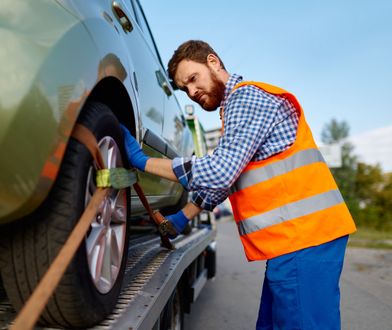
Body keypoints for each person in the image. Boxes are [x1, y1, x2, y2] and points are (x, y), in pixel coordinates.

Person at [121, 40, 357, 329]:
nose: (192, 92)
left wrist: (143, 162)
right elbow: (229, 179)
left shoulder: (246, 99)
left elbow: (220, 171)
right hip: (297, 240)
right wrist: (185, 215)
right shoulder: (235, 109)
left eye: (193, 79)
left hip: (305, 238)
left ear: (213, 62)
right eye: (184, 89)